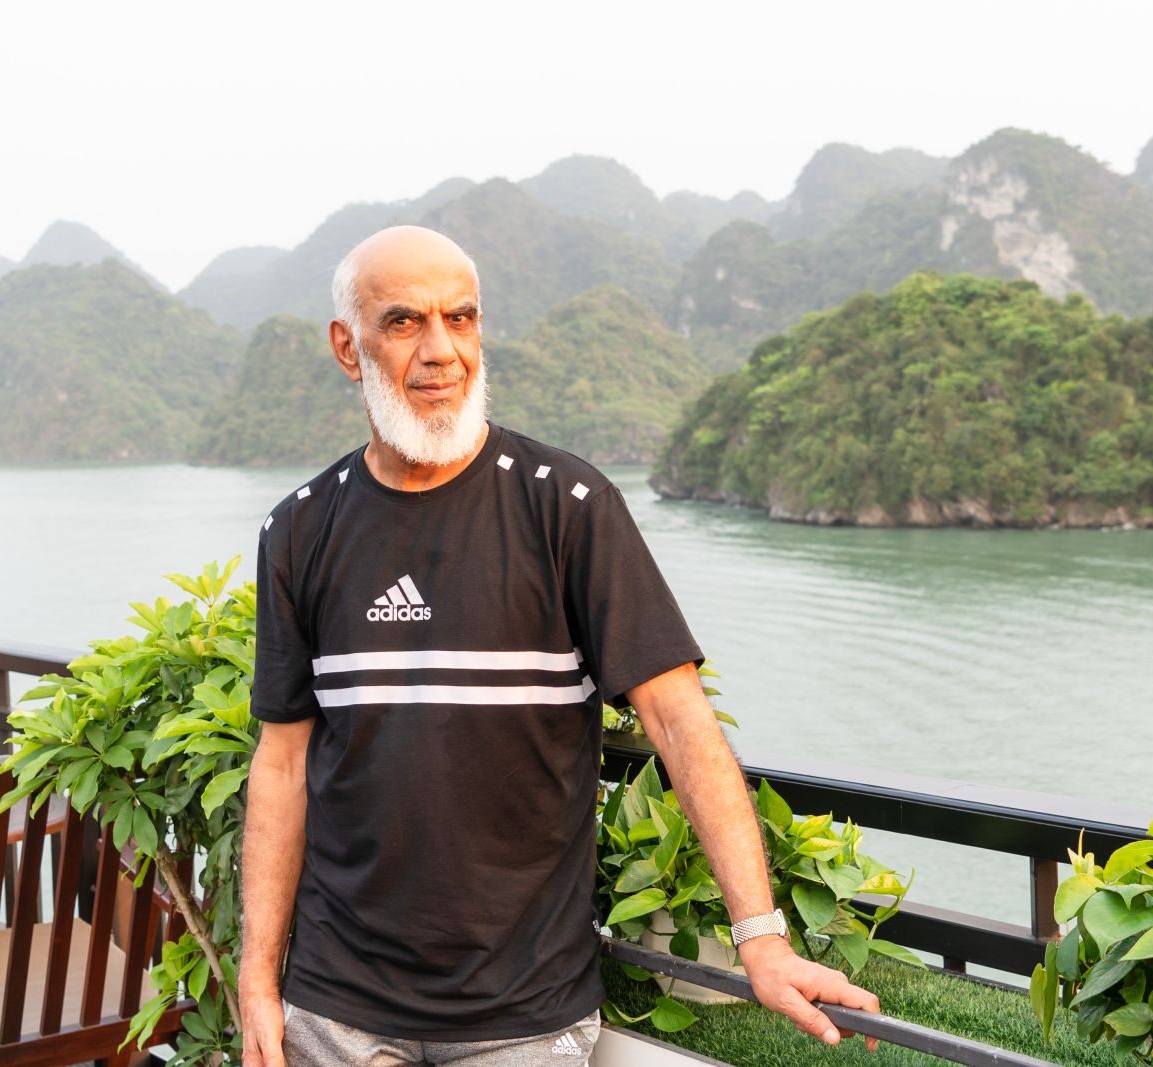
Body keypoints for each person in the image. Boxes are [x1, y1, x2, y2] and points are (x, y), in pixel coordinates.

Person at [239, 225, 880, 1066]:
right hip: (337, 1008)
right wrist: (258, 978)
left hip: (526, 1013)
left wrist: (760, 936)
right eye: (403, 322)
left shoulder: (569, 507)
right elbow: (283, 763)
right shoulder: (299, 529)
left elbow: (680, 721)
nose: (441, 351)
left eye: (460, 318)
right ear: (346, 347)